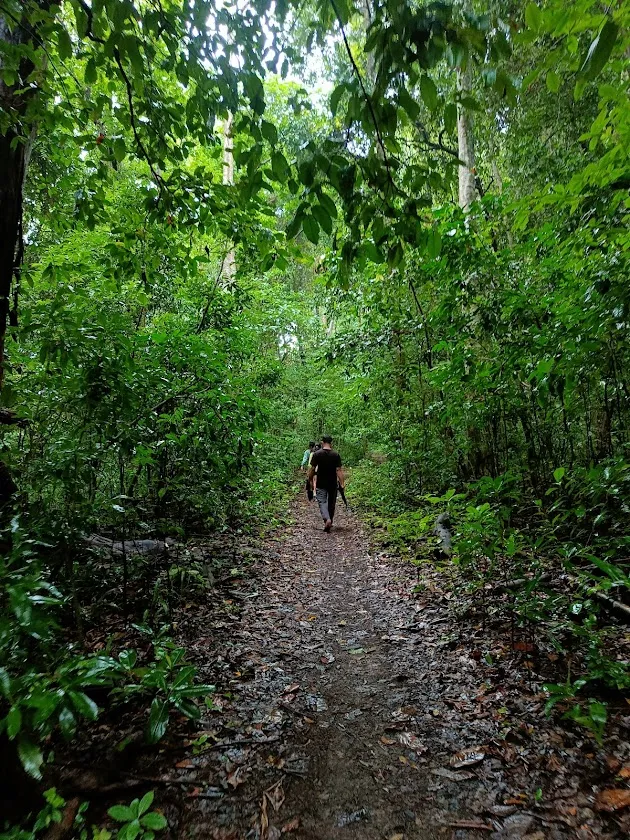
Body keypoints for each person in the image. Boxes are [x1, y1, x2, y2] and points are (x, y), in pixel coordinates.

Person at [308, 435, 344, 532]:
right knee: (331, 503)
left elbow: (312, 468)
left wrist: (310, 478)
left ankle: (326, 519)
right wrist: (342, 483)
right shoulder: (336, 455)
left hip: (321, 483)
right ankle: (330, 520)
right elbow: (339, 470)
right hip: (332, 483)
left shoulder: (317, 454)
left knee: (322, 502)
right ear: (331, 443)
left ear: (322, 442)